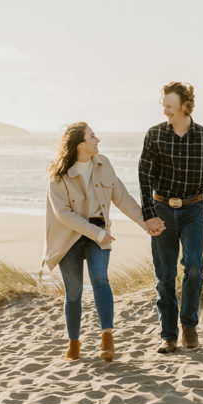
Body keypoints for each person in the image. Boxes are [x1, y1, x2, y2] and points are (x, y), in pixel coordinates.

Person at [43, 122, 163, 362]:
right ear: (80, 144)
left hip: (99, 233)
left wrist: (146, 222)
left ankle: (107, 337)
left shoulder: (103, 164)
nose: (98, 140)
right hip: (69, 238)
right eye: (93, 136)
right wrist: (96, 234)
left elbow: (122, 197)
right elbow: (63, 214)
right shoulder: (58, 176)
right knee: (74, 292)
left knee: (100, 278)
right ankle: (74, 343)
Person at [139, 81, 203, 353]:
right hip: (162, 208)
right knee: (164, 274)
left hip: (193, 209)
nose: (164, 110)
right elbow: (144, 176)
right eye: (163, 104)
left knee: (194, 265)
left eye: (169, 105)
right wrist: (149, 214)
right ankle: (168, 334)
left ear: (184, 106)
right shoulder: (154, 135)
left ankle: (189, 325)